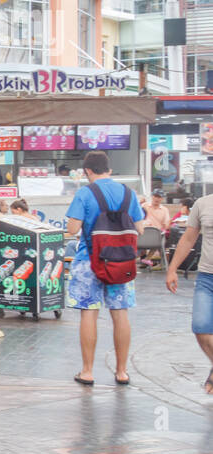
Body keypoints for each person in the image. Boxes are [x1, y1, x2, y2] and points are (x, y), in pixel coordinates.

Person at [65, 150, 145, 387]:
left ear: (87, 171)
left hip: (89, 261)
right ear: (109, 168)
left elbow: (72, 228)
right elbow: (140, 229)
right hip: (121, 263)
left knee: (89, 313)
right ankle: (121, 372)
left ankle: (88, 371)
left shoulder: (85, 192)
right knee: (120, 313)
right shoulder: (129, 193)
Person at [166, 194, 213, 394]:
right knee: (201, 327)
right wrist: (172, 268)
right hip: (207, 277)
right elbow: (188, 238)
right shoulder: (203, 204)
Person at [139, 192, 171, 268]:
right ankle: (146, 260)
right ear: (152, 197)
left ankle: (146, 260)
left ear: (162, 199)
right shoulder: (145, 205)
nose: (157, 199)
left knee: (159, 238)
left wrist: (166, 226)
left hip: (156, 235)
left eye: (159, 197)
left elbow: (167, 224)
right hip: (144, 234)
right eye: (155, 196)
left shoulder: (164, 210)